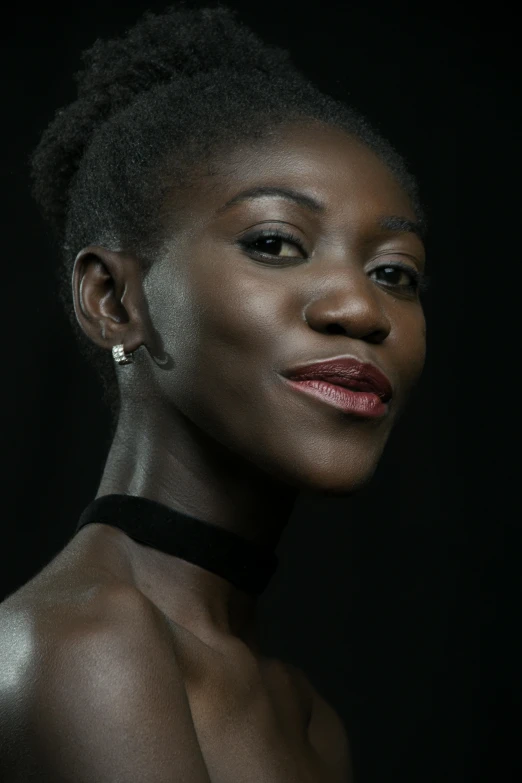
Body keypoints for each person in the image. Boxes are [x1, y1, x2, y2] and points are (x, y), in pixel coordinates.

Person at [0, 4, 429, 781]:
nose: (362, 310)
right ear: (112, 300)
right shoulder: (86, 645)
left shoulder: (305, 718)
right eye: (274, 242)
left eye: (395, 272)